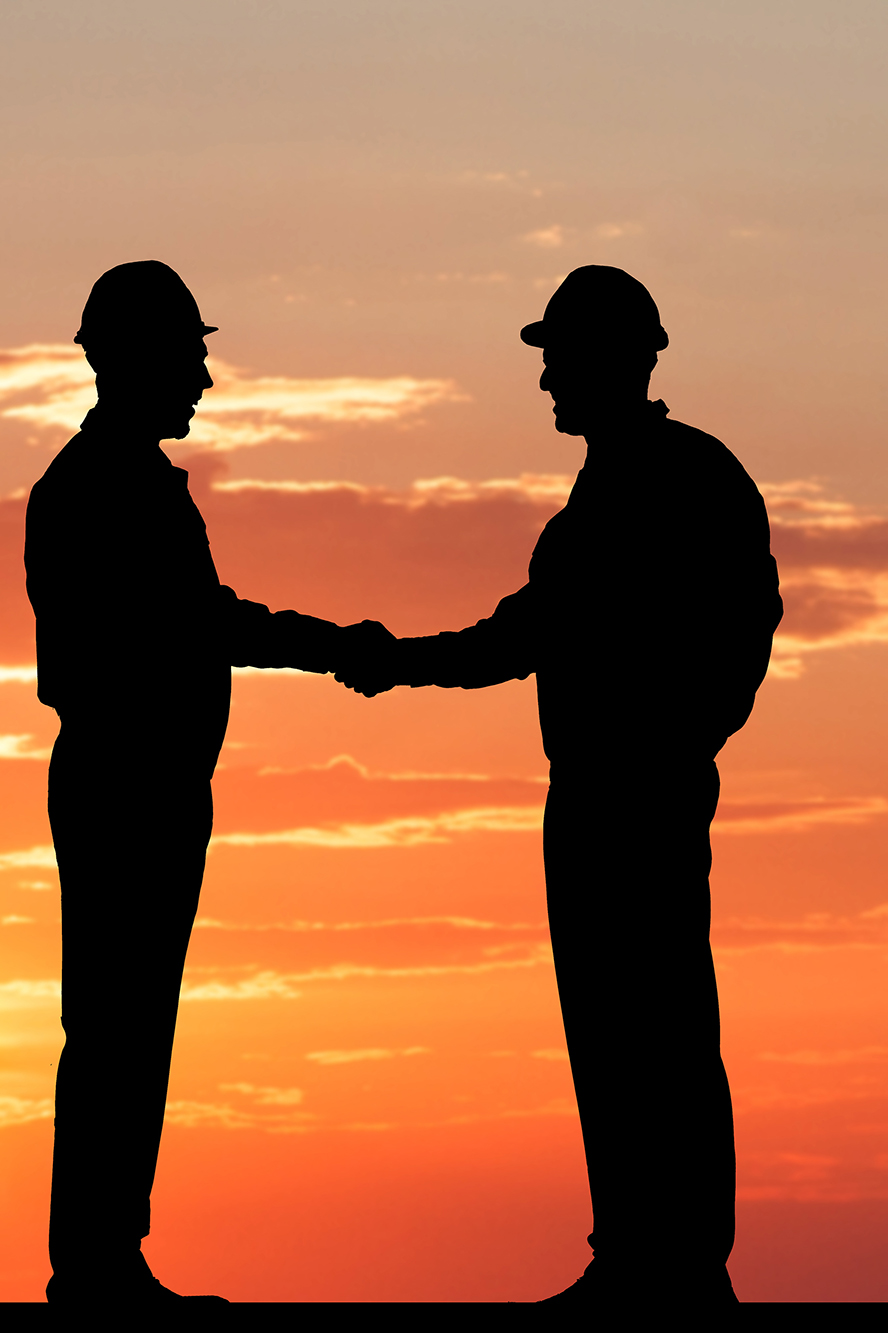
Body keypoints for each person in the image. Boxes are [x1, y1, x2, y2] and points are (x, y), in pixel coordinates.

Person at [336, 266, 782, 1305]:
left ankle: (677, 1264)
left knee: (658, 1021)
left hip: (640, 790)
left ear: (615, 359)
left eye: (556, 358)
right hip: (587, 791)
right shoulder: (600, 496)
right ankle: (633, 1252)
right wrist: (399, 660)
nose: (543, 379)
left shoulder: (684, 475)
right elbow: (522, 635)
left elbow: (742, 619)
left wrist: (683, 733)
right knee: (608, 1019)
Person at [27, 260, 387, 1306]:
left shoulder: (114, 485)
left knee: (125, 1024)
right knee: (116, 1027)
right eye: (189, 357)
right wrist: (334, 647)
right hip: (126, 784)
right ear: (132, 358)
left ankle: (104, 1257)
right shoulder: (106, 491)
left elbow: (199, 621)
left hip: (141, 782)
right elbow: (202, 623)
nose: (202, 381)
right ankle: (95, 1267)